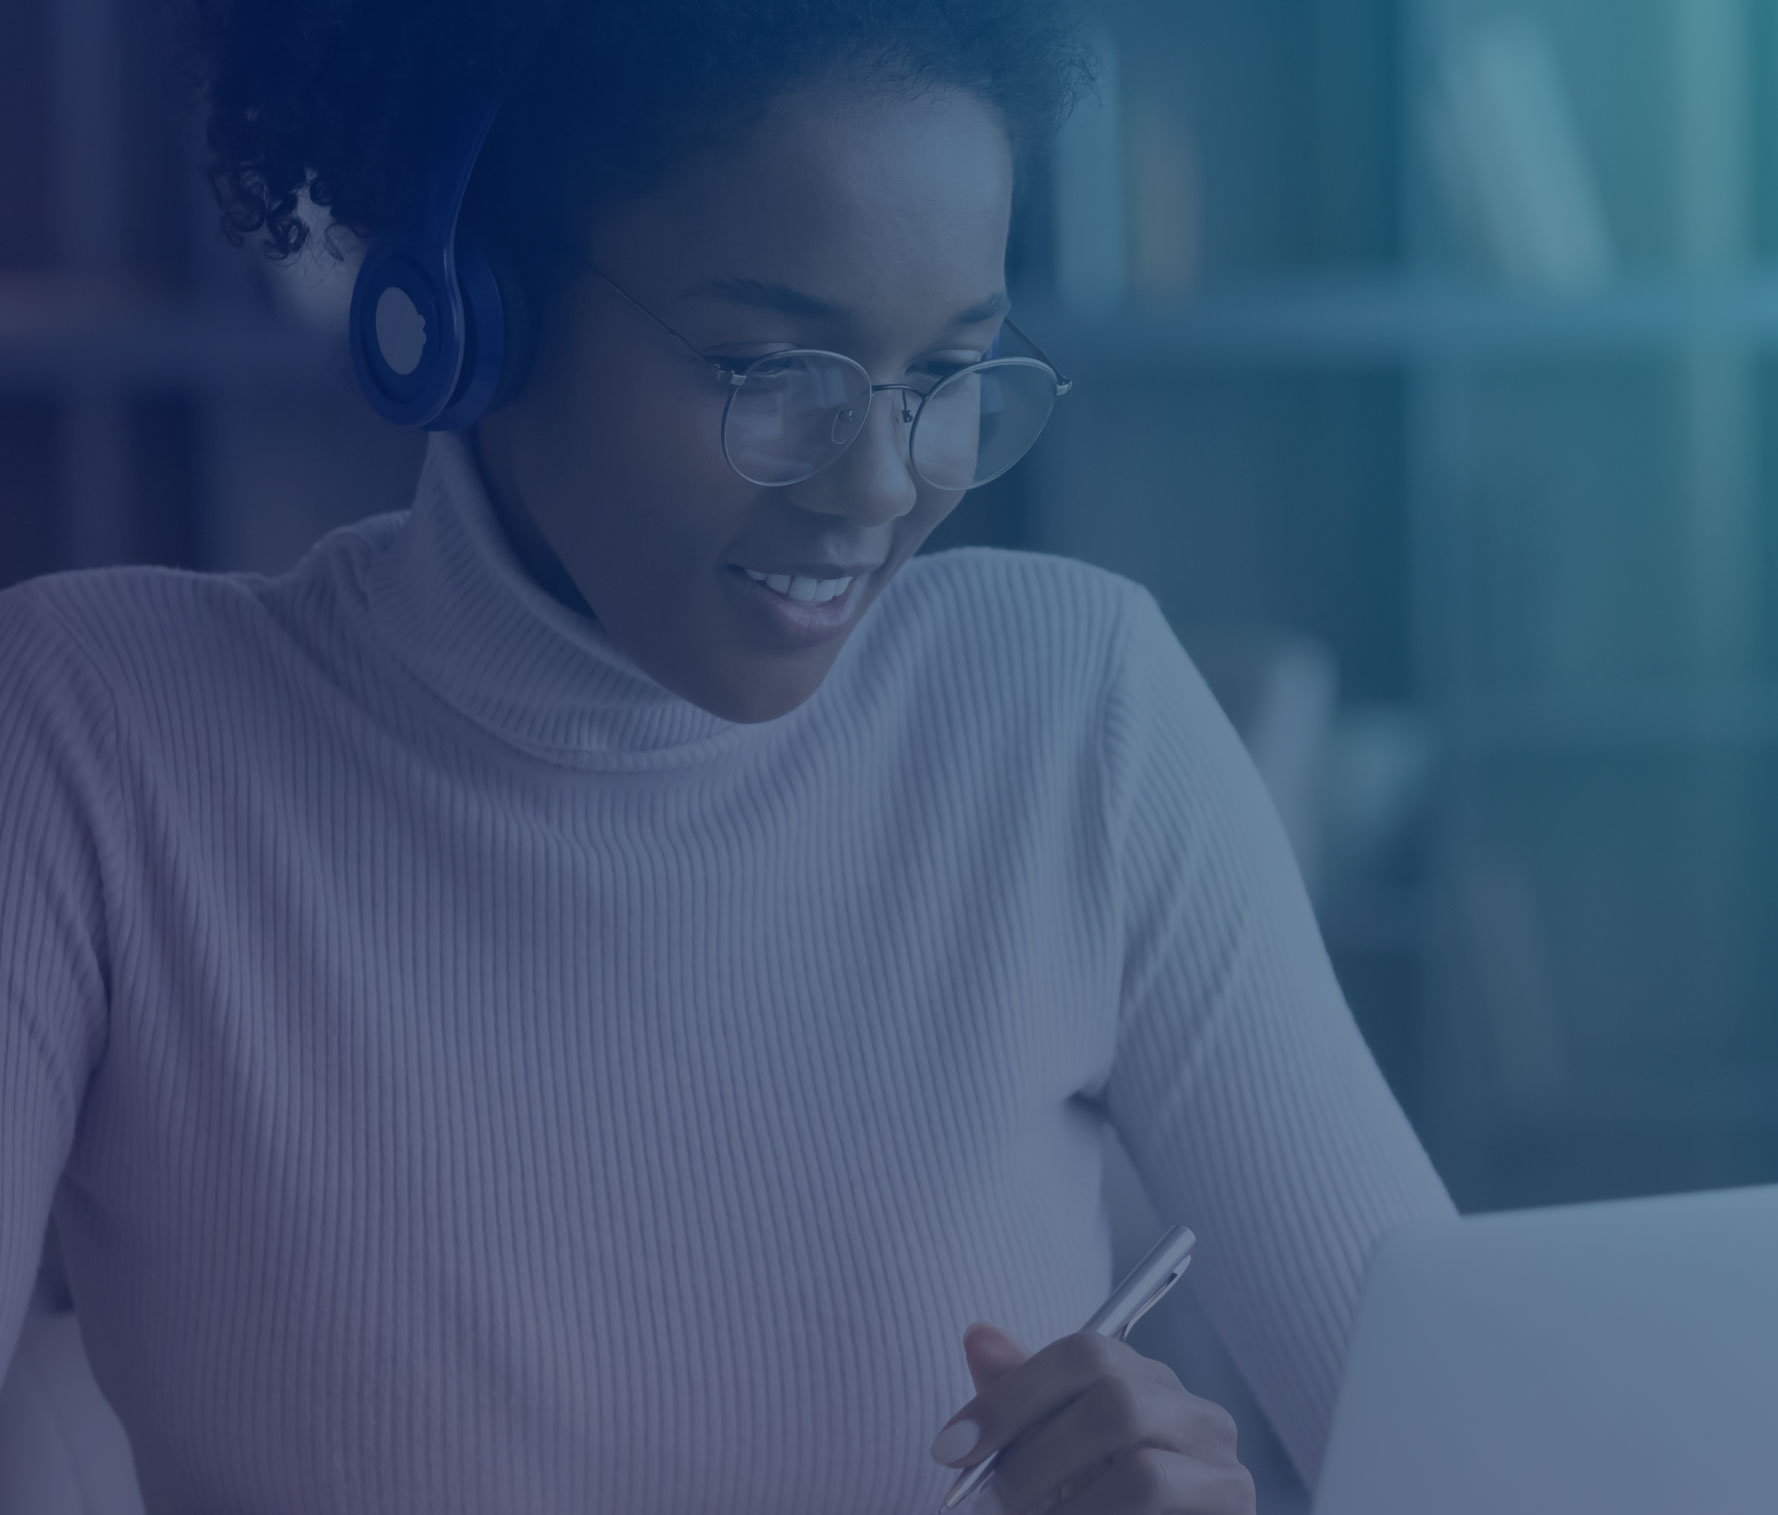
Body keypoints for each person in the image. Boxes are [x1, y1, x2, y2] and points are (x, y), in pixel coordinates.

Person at [0, 1, 1458, 1511]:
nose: (878, 487)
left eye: (947, 374)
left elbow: (1497, 1455)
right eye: (773, 371)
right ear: (470, 304)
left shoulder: (1078, 714)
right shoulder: (97, 745)